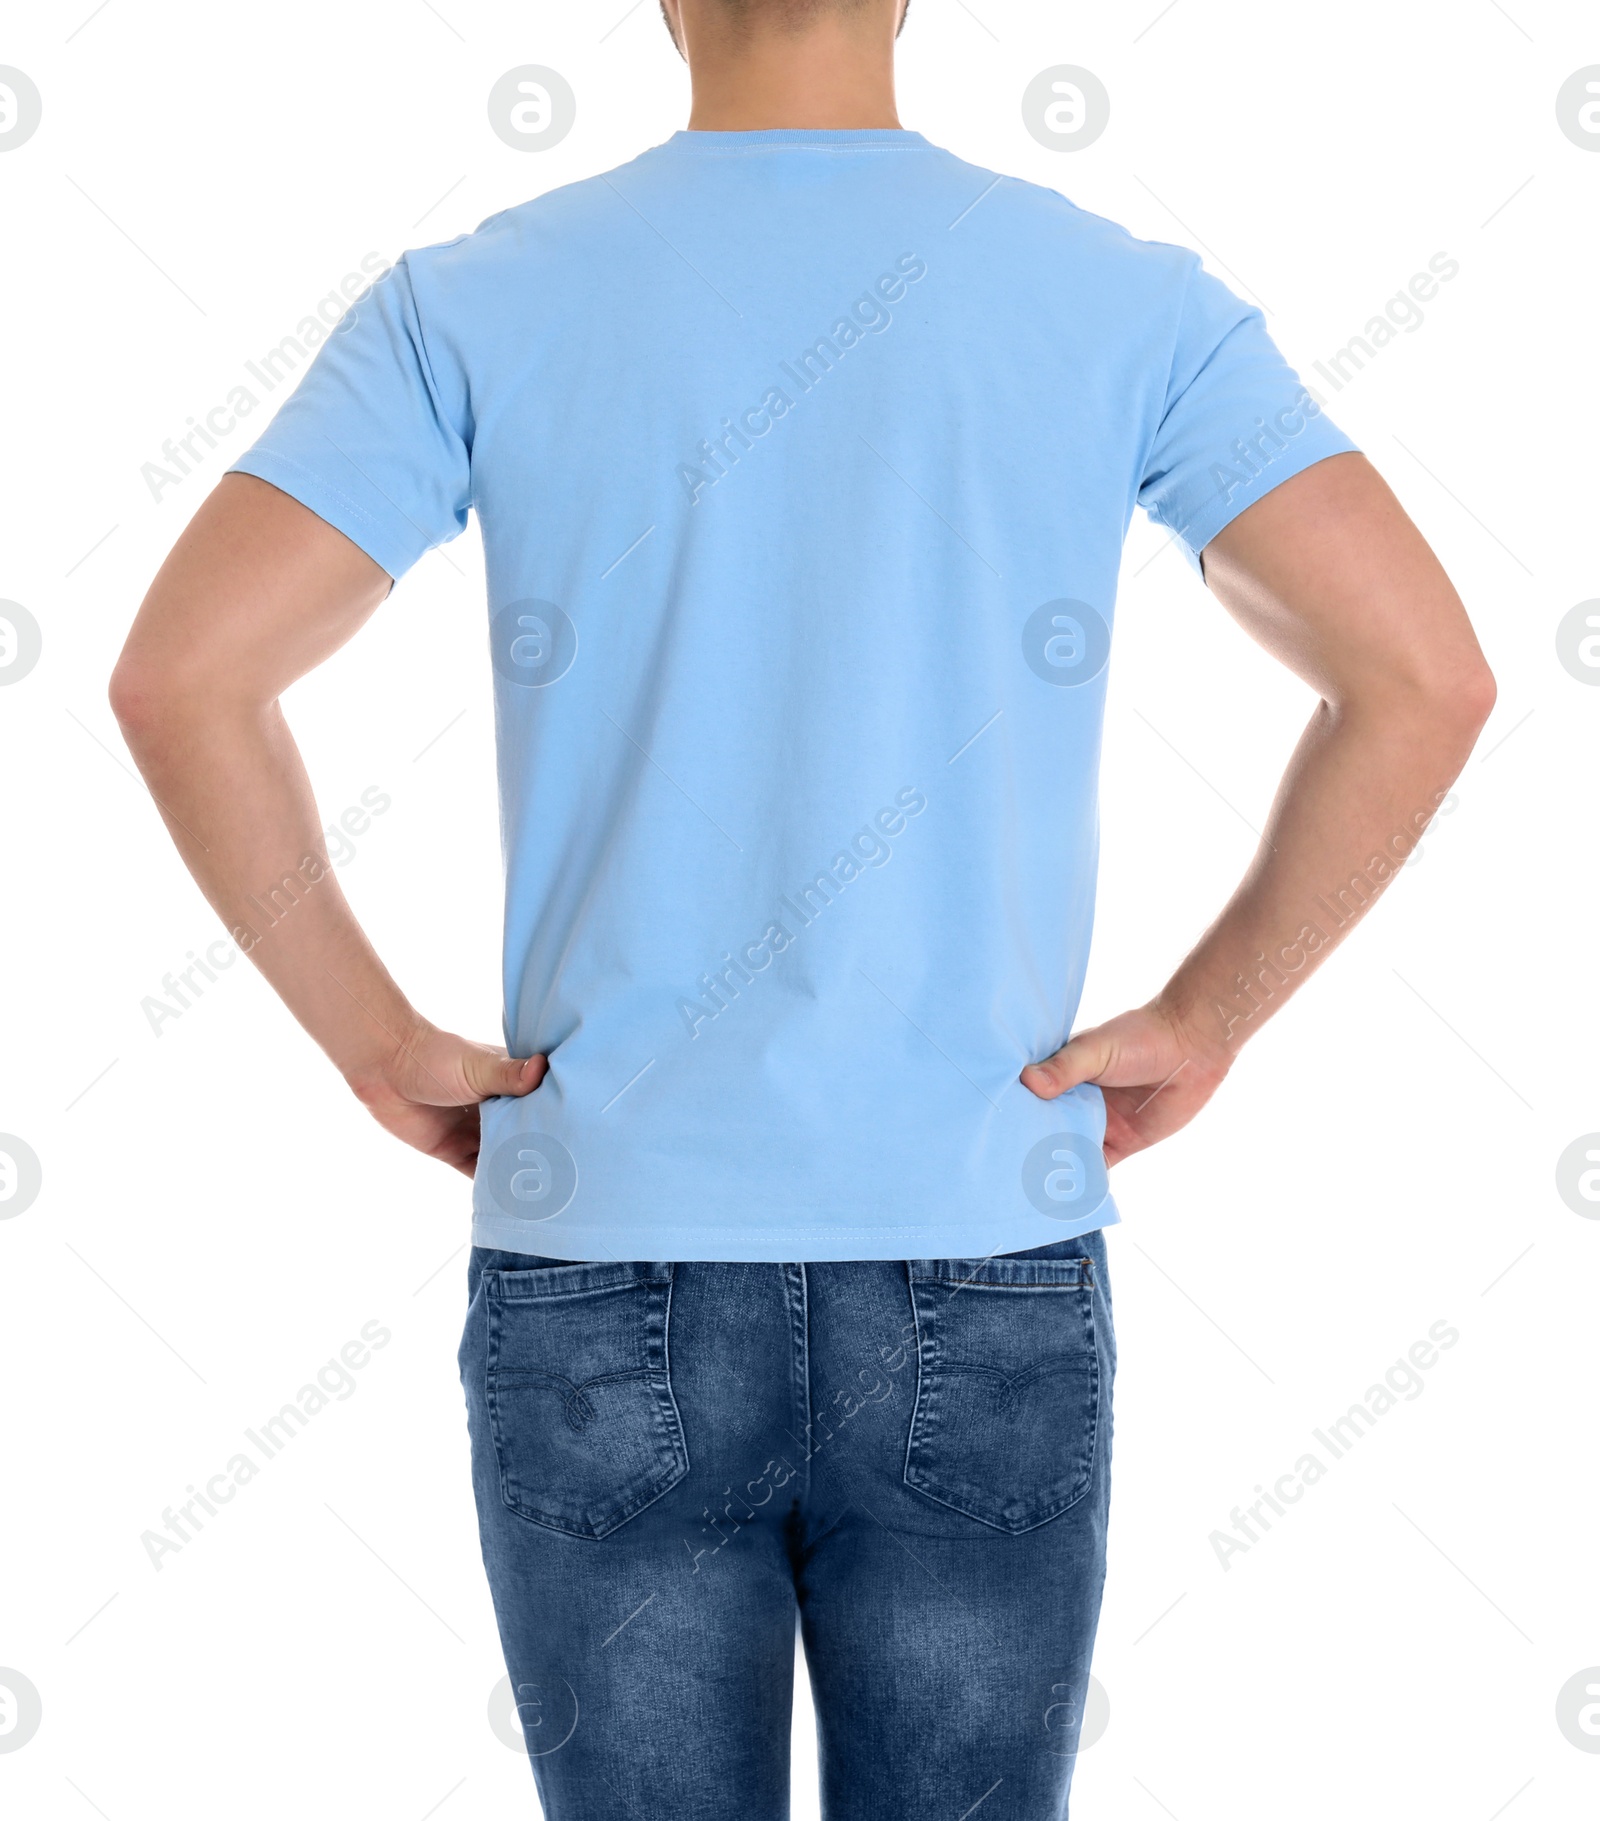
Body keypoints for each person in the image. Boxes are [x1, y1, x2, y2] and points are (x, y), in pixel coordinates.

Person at [109, 0, 1495, 1813]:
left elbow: (180, 679)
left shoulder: (474, 298)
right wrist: (1216, 1008)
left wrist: (375, 1040)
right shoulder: (1121, 298)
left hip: (602, 1246)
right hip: (983, 1227)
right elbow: (1426, 677)